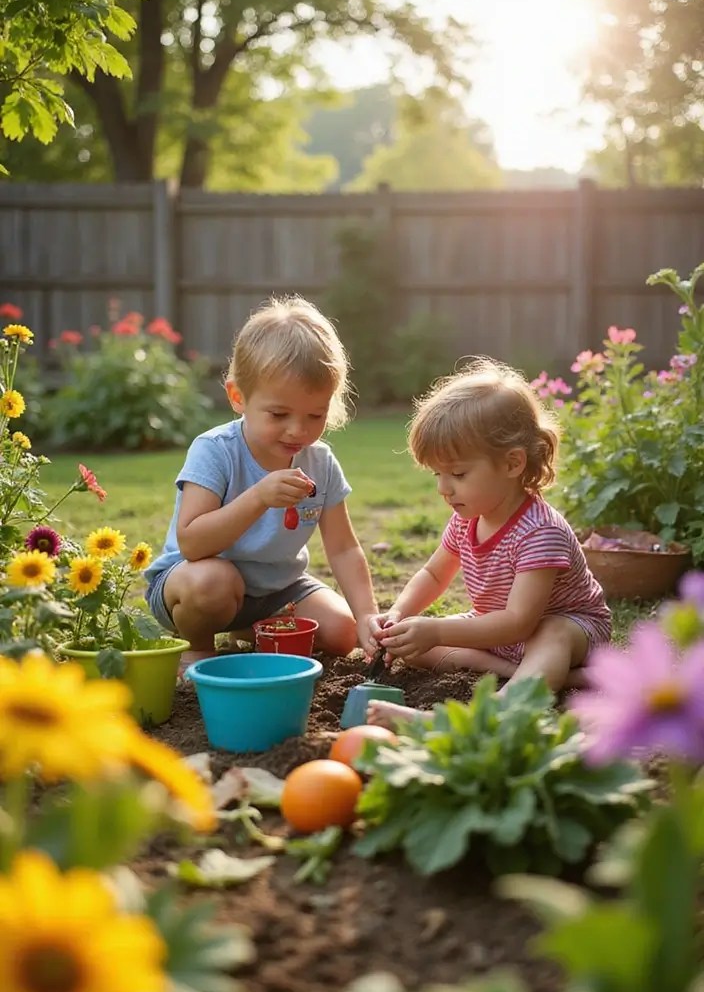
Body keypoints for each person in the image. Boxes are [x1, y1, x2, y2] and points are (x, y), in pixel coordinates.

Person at [366, 357, 611, 728]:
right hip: (501, 633)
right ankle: (525, 671)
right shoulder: (467, 519)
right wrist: (400, 615)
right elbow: (434, 574)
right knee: (415, 648)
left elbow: (519, 621)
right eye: (438, 474)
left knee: (551, 633)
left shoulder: (540, 531)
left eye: (458, 474)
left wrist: (437, 630)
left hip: (567, 629)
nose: (443, 488)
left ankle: (496, 710)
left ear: (513, 464)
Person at [145, 296, 379, 672]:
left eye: (314, 415)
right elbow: (191, 542)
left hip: (276, 591)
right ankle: (198, 648)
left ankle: (251, 631)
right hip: (193, 584)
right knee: (212, 584)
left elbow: (344, 549)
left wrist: (368, 615)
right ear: (238, 397)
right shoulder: (215, 451)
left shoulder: (320, 462)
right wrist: (257, 498)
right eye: (279, 414)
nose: (297, 430)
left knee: (341, 633)